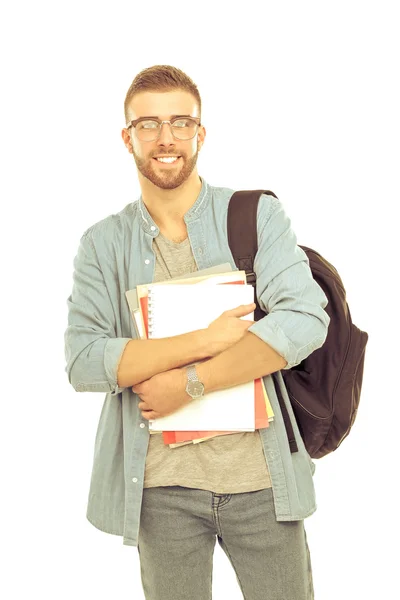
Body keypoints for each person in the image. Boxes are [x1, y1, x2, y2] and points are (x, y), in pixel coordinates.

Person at [64, 64, 330, 600]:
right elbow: (84, 360)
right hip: (161, 492)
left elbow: (305, 319)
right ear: (127, 137)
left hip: (261, 482)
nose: (166, 138)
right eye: (148, 125)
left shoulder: (256, 216)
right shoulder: (102, 243)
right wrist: (203, 342)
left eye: (181, 122)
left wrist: (189, 383)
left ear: (200, 133)